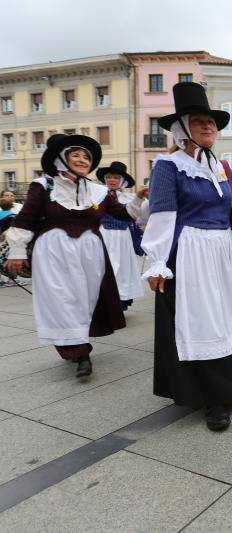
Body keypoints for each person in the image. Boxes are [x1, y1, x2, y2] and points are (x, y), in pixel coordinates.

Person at [142, 82, 232, 431]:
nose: (209, 127)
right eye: (200, 121)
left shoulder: (221, 168)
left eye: (211, 122)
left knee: (225, 315)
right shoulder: (168, 166)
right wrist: (157, 262)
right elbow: (163, 215)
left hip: (223, 249)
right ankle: (210, 396)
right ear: (182, 128)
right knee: (203, 319)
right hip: (192, 251)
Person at [5, 133, 144, 378]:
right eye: (76, 155)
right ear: (61, 159)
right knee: (60, 299)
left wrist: (140, 199)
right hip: (53, 251)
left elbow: (124, 214)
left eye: (86, 157)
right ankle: (80, 352)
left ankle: (73, 344)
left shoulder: (99, 191)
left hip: (91, 254)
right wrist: (16, 252)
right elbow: (25, 218)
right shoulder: (44, 186)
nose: (82, 160)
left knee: (84, 300)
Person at [96, 161, 145, 311]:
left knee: (122, 271)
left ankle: (117, 306)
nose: (112, 180)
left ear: (122, 181)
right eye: (109, 177)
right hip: (103, 237)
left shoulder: (130, 199)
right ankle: (101, 306)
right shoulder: (97, 196)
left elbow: (141, 218)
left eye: (116, 178)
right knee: (102, 270)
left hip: (123, 239)